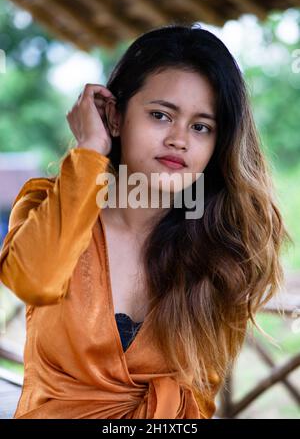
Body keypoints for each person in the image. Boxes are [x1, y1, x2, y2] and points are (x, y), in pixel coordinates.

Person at [0, 22, 292, 419]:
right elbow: (35, 280)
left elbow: (199, 400)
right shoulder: (46, 205)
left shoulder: (221, 249)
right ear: (115, 118)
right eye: (160, 115)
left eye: (201, 127)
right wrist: (90, 151)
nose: (180, 139)